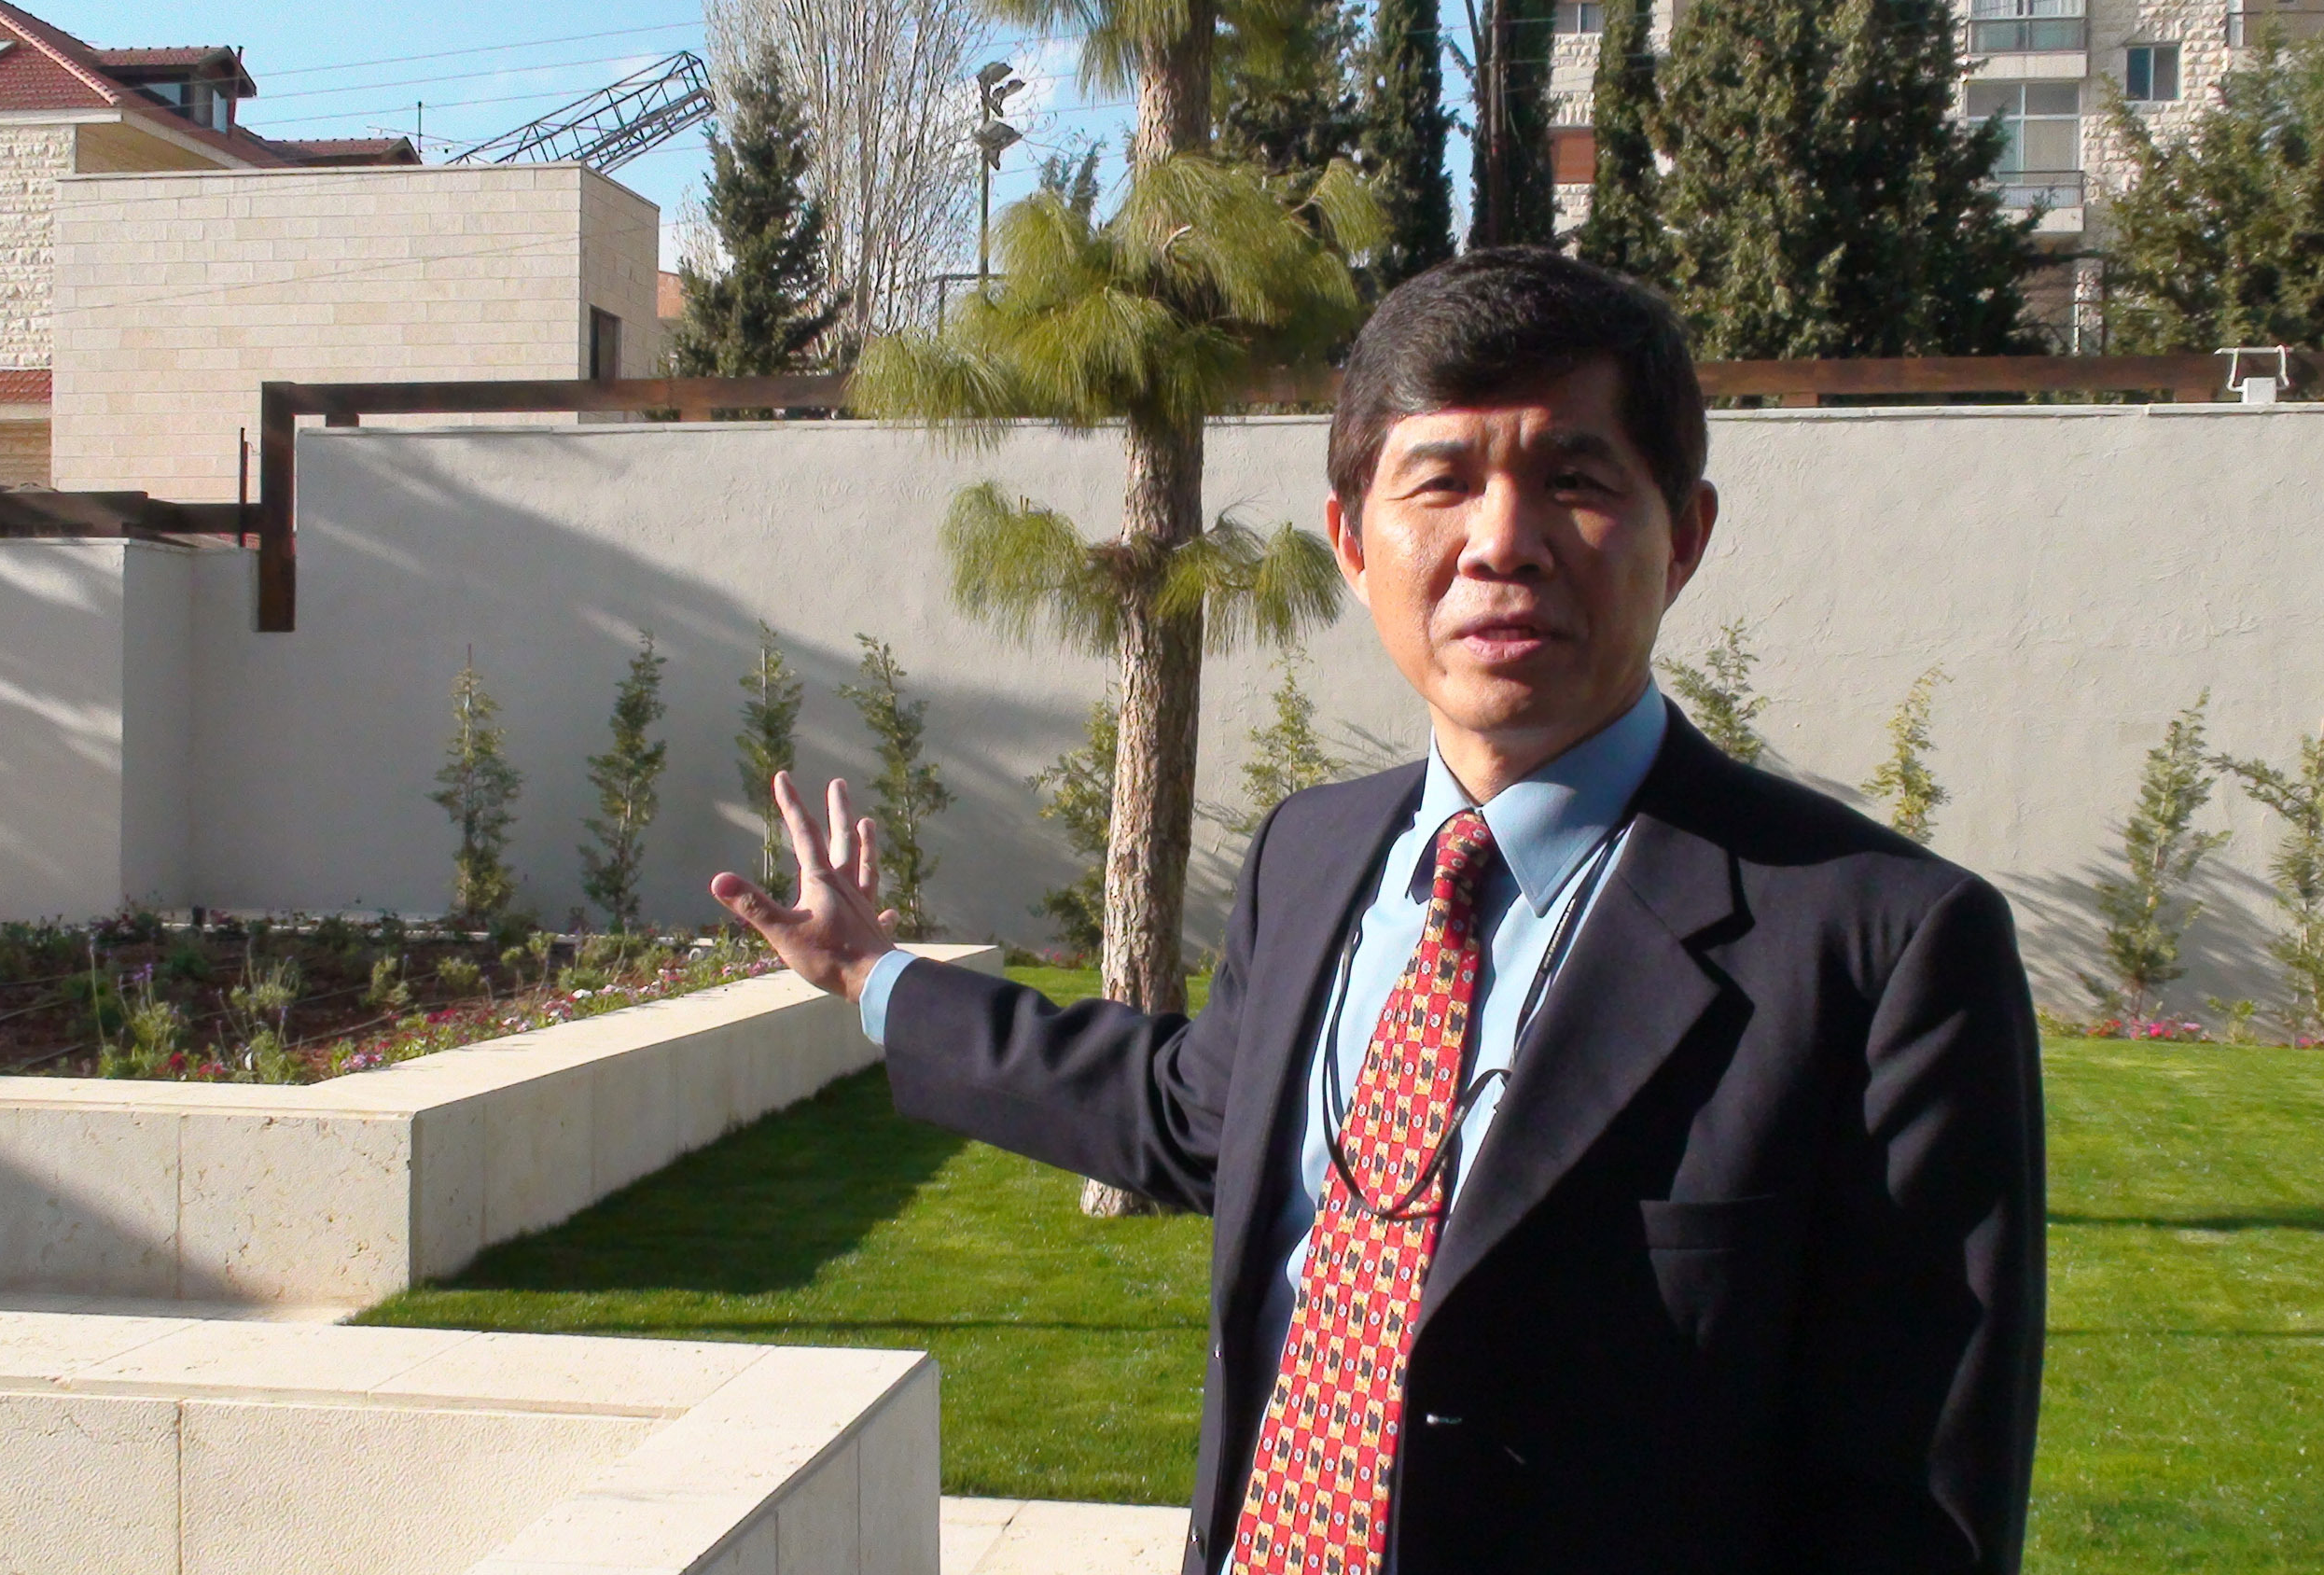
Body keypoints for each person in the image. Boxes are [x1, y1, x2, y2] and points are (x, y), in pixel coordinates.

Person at [712, 247, 2044, 1575]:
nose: (1502, 543)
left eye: (1576, 481)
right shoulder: (1314, 851)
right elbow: (1189, 1116)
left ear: (1683, 536)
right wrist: (875, 979)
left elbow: (1912, 1511)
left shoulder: (1881, 947)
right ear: (1353, 543)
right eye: (1443, 481)